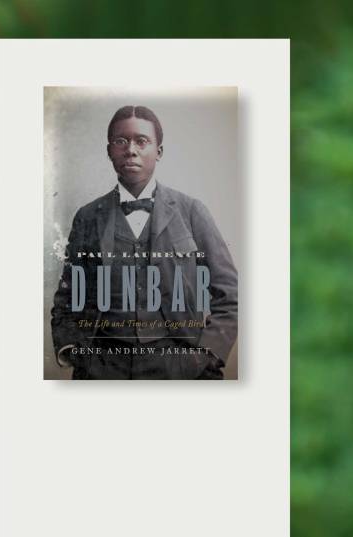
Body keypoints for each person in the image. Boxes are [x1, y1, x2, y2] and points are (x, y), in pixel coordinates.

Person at [50, 105, 238, 380]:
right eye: (121, 141)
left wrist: (205, 356)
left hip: (178, 365)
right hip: (103, 368)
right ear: (109, 151)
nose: (131, 150)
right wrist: (77, 352)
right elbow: (67, 295)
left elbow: (230, 294)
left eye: (141, 141)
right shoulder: (88, 217)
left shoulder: (191, 211)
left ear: (158, 152)